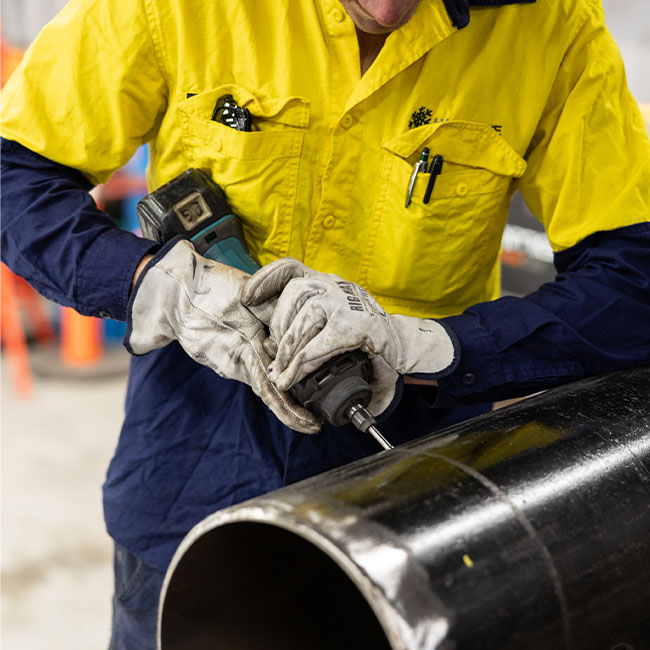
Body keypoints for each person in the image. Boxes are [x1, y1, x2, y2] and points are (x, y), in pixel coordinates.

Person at [1, 0, 649, 647]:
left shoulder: (551, 25)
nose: (392, 8)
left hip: (418, 478)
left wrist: (428, 346)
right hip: (196, 456)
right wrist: (158, 286)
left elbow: (633, 279)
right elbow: (14, 175)